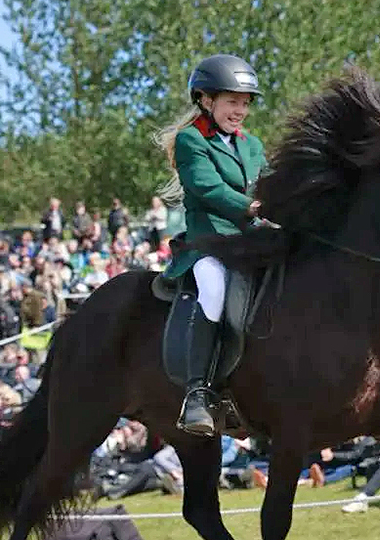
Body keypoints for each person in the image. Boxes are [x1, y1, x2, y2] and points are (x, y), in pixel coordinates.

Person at [156, 54, 266, 436]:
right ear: (206, 100)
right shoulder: (191, 140)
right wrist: (249, 206)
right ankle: (198, 393)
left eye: (245, 103)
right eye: (232, 101)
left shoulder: (252, 144)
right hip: (208, 244)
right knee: (215, 292)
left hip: (250, 243)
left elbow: (266, 182)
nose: (240, 110)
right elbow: (207, 187)